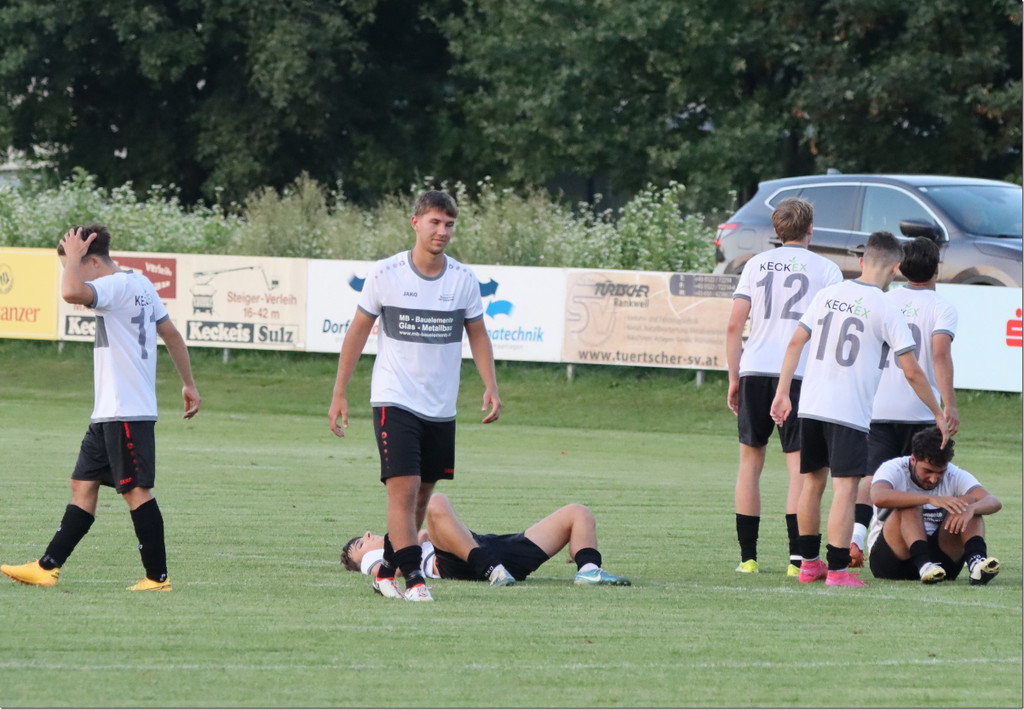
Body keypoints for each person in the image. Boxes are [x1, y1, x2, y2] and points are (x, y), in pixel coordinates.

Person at [1, 225, 200, 591]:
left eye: (76, 264)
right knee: (83, 484)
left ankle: (157, 578)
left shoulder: (114, 285)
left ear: (92, 260)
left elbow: (70, 293)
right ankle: (47, 567)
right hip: (110, 411)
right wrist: (188, 383)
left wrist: (72, 260)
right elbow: (171, 334)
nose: (72, 272)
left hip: (126, 410)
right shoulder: (139, 282)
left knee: (136, 491)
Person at [327, 190, 502, 603]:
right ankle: (414, 580)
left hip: (440, 407)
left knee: (422, 496)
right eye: (435, 222)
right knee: (402, 491)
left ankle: (385, 570)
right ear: (416, 223)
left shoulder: (463, 280)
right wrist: (339, 393)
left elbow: (478, 334)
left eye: (449, 224)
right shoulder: (386, 273)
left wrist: (491, 385)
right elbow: (357, 332)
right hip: (394, 400)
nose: (442, 231)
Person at [770, 231, 948, 588]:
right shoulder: (887, 307)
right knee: (846, 489)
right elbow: (913, 371)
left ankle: (809, 564)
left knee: (812, 484)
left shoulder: (829, 293)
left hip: (812, 405)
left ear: (863, 260)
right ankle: (837, 570)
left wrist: (782, 392)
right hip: (847, 410)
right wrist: (939, 413)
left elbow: (795, 342)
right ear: (896, 268)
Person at [726, 197, 842, 576]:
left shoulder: (755, 264)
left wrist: (734, 377)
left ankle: (748, 558)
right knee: (799, 469)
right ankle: (797, 559)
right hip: (801, 374)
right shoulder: (827, 269)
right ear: (810, 229)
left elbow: (734, 325)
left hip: (755, 369)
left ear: (776, 231)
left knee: (750, 463)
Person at [850, 237, 960, 567]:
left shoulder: (885, 300)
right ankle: (918, 544)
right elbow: (940, 354)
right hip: (921, 410)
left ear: (899, 267)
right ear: (937, 269)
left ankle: (856, 539)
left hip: (880, 406)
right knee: (922, 478)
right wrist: (948, 405)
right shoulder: (942, 307)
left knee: (871, 477)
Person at [341, 493, 631, 588]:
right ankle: (491, 568)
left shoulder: (408, 536)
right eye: (361, 544)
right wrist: (412, 539)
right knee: (435, 502)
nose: (367, 536)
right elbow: (387, 572)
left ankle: (588, 570)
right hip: (459, 561)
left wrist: (418, 535)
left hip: (491, 546)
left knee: (577, 513)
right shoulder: (378, 561)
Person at [868, 427, 1000, 585]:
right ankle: (924, 565)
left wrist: (971, 509)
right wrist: (929, 499)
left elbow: (993, 501)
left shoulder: (954, 474)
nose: (933, 479)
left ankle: (976, 563)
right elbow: (878, 497)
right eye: (927, 471)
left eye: (940, 472)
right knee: (910, 504)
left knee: (969, 502)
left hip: (941, 564)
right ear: (913, 459)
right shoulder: (893, 468)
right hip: (893, 561)